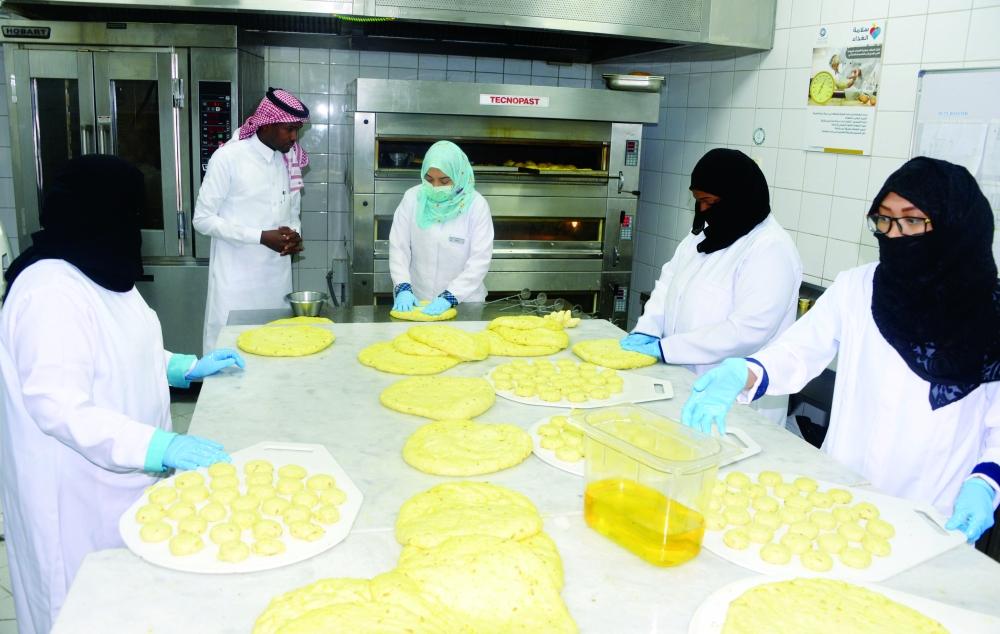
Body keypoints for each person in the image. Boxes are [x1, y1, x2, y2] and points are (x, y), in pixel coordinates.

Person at [681, 157, 1000, 543]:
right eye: (884, 219)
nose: (894, 234)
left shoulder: (991, 316)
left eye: (912, 220)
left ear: (956, 225)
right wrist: (748, 372)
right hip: (841, 494)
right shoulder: (858, 287)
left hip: (937, 508)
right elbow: (799, 349)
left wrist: (987, 480)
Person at [0, 155, 242, 633]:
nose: (135, 227)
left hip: (123, 480)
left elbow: (129, 349)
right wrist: (159, 446)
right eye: (131, 214)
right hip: (71, 493)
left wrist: (185, 368)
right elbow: (58, 404)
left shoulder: (104, 269)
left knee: (122, 608)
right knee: (75, 611)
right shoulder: (50, 289)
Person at [620, 148, 802, 425]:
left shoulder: (770, 250)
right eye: (698, 201)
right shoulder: (705, 237)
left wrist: (668, 349)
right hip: (682, 381)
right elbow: (669, 284)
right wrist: (648, 330)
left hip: (734, 402)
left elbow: (749, 330)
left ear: (737, 198)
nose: (703, 210)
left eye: (709, 201)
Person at [194, 87, 310, 354]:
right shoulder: (229, 158)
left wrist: (295, 236)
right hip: (237, 285)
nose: (294, 137)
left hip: (277, 282)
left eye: (297, 130)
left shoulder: (289, 159)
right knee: (233, 361)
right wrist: (260, 236)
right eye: (289, 129)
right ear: (267, 124)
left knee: (275, 357)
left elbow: (292, 213)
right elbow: (202, 220)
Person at [389, 140, 494, 316]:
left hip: (465, 302)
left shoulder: (476, 205)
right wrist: (403, 287)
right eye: (429, 179)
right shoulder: (413, 198)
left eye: (444, 180)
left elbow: (479, 260)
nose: (436, 187)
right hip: (417, 299)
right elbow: (399, 247)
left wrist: (450, 297)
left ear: (458, 175)